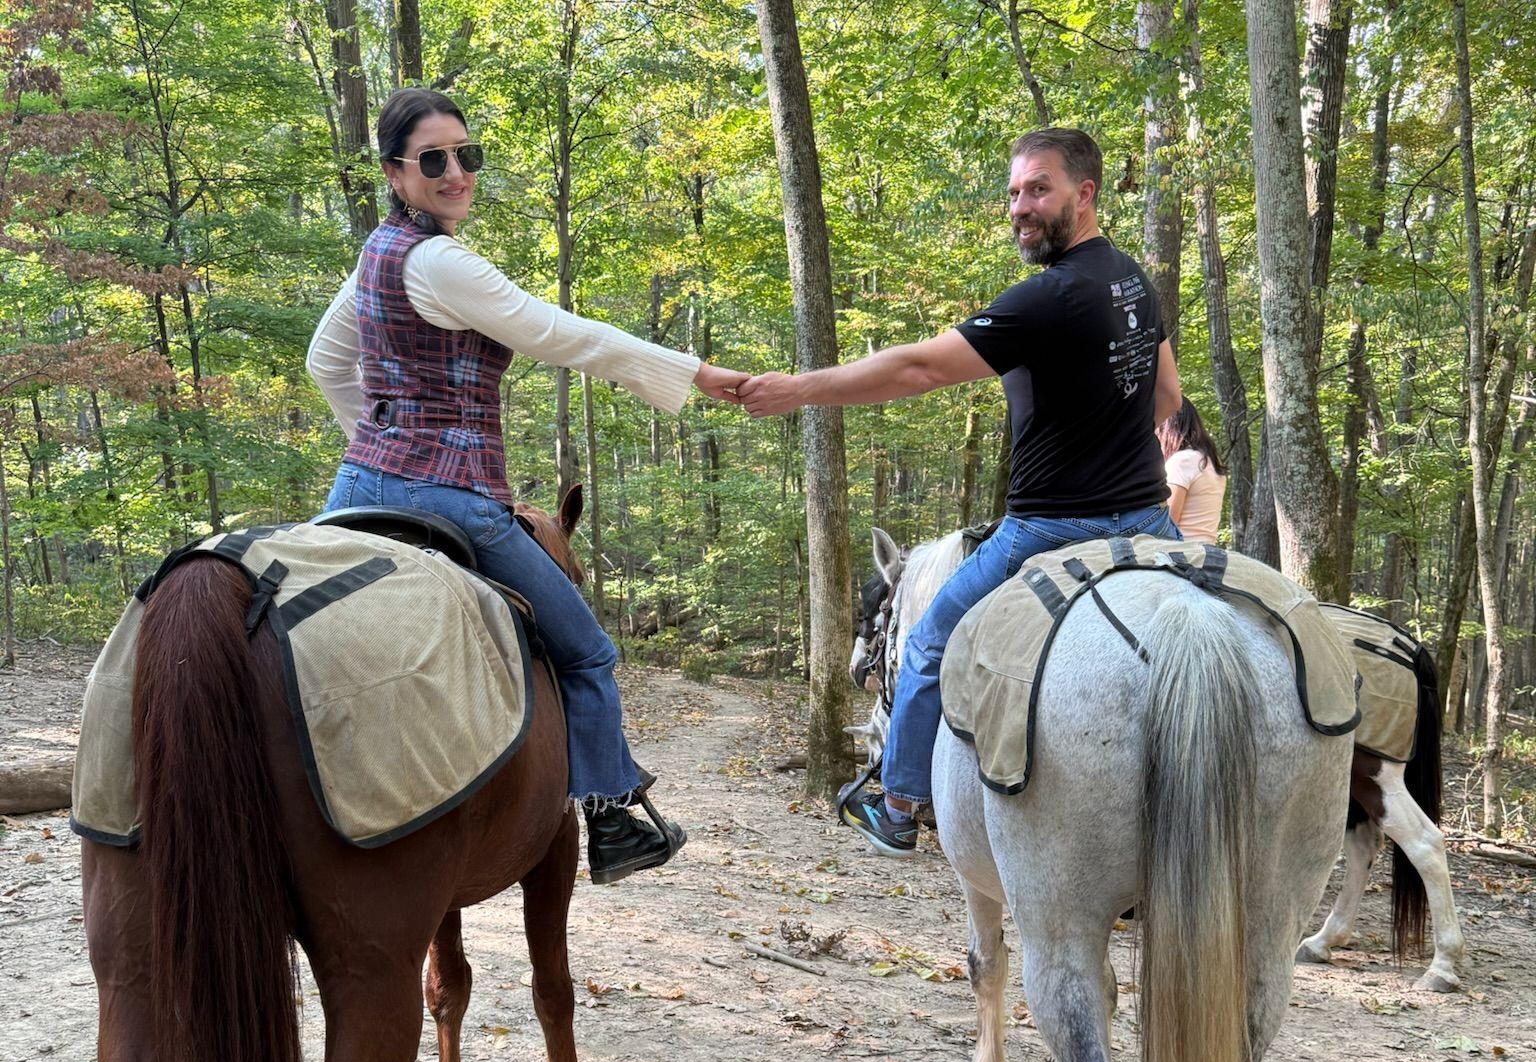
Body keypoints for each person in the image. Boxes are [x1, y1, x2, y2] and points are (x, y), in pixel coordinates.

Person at [307, 88, 747, 884]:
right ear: (394, 174)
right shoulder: (443, 262)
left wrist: (377, 444)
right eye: (432, 161)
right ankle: (612, 818)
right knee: (586, 653)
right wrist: (695, 373)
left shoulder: (377, 254)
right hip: (451, 499)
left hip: (354, 490)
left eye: (466, 156)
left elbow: (326, 365)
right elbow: (560, 334)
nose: (455, 173)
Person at [738, 128, 1181, 856]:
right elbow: (1165, 399)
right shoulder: (1134, 283)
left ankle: (899, 801)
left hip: (1051, 531)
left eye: (1038, 188)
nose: (1020, 207)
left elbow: (918, 370)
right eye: (1013, 193)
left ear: (1086, 193)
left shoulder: (1051, 296)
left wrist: (797, 391)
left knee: (928, 641)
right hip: (1150, 526)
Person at [1158, 396, 1227, 544]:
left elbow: (1167, 525)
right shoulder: (1208, 460)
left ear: (1167, 427)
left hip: (1183, 553)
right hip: (1206, 551)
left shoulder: (1182, 461)